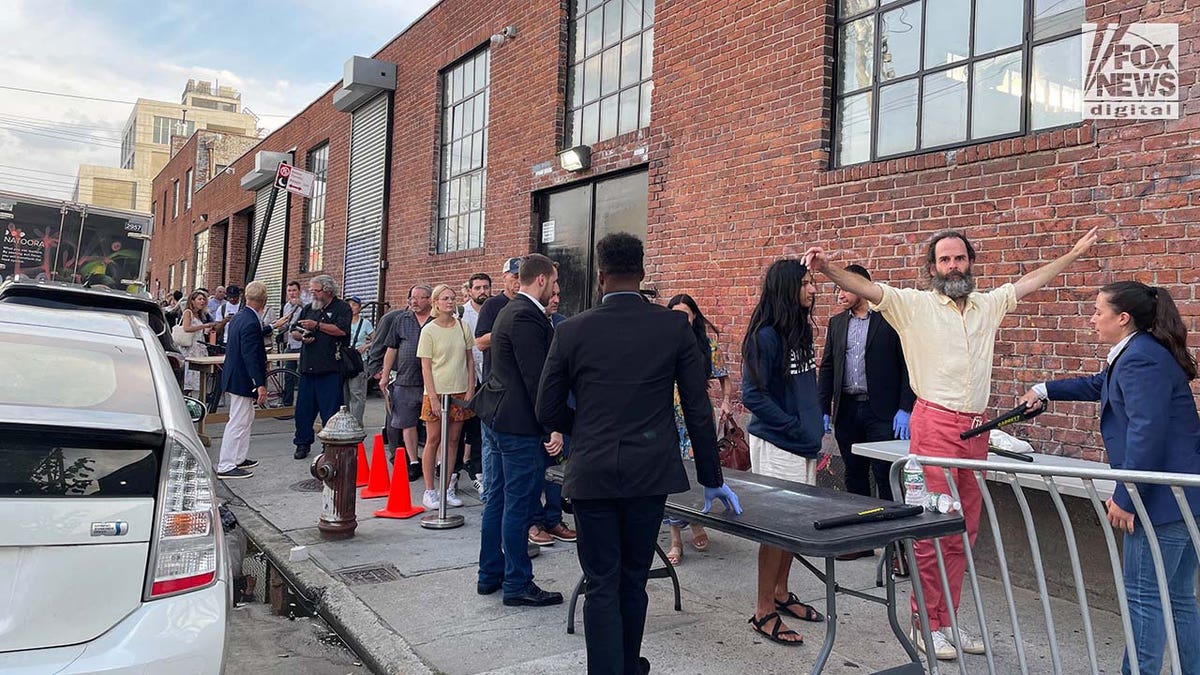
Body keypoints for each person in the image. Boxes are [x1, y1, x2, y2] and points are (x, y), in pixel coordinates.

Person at [805, 225, 1099, 660]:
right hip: (934, 426)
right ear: (932, 268)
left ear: (970, 263)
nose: (953, 266)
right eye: (945, 260)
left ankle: (948, 621)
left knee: (963, 530)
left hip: (976, 431)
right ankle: (925, 623)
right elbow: (867, 287)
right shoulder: (915, 305)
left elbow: (1031, 281)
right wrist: (828, 269)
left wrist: (1073, 253)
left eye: (959, 258)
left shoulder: (987, 305)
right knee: (933, 530)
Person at [538, 233, 741, 675]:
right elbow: (696, 406)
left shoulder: (571, 330)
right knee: (633, 576)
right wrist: (712, 475)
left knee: (600, 581)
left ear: (601, 276)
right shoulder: (674, 328)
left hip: (592, 472)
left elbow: (546, 408)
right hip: (650, 472)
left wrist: (586, 431)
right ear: (643, 273)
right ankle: (628, 665)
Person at [1018, 281, 1200, 675]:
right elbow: (1100, 385)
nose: (1093, 319)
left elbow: (1145, 431)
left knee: (1145, 598)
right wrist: (1045, 389)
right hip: (1182, 496)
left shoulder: (1141, 358)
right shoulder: (1139, 353)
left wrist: (1126, 496)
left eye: (1099, 311)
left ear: (1123, 318)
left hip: (1160, 501)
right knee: (1179, 597)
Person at [470, 253, 564, 607]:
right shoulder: (526, 315)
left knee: (498, 500)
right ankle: (517, 583)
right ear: (540, 280)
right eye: (553, 283)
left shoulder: (511, 310)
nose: (555, 290)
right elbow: (537, 379)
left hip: (499, 418)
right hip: (517, 425)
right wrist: (553, 426)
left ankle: (490, 575)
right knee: (517, 505)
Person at [740, 258, 825, 647]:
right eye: (806, 283)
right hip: (778, 444)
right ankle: (763, 611)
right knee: (775, 529)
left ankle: (780, 592)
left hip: (803, 443)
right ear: (787, 287)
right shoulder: (766, 336)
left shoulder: (799, 330)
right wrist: (792, 426)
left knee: (794, 526)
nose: (813, 289)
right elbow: (752, 395)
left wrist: (815, 424)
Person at [816, 264, 916, 562]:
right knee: (854, 476)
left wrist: (905, 408)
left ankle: (896, 548)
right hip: (847, 410)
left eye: (845, 288)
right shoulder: (836, 324)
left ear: (862, 286)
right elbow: (829, 367)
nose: (840, 294)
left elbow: (907, 365)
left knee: (886, 476)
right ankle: (860, 540)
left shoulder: (890, 320)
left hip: (882, 412)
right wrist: (824, 408)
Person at [661, 293, 734, 566]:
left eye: (685, 314)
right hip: (667, 417)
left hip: (695, 419)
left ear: (694, 317)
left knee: (692, 474)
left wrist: (726, 402)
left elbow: (725, 380)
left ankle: (694, 522)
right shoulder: (662, 343)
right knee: (671, 475)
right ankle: (676, 537)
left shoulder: (707, 346)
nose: (681, 319)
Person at [416, 284, 476, 509]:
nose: (449, 302)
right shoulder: (429, 330)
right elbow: (426, 367)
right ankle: (430, 489)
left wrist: (470, 387)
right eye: (445, 299)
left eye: (452, 298)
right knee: (433, 440)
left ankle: (448, 486)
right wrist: (432, 396)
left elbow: (470, 360)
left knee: (453, 440)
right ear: (435, 303)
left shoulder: (463, 326)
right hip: (437, 391)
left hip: (459, 390)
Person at [528, 280, 577, 547]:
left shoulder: (564, 324)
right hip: (538, 412)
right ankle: (534, 521)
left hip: (565, 406)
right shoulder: (530, 324)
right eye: (552, 294)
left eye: (559, 294)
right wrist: (551, 427)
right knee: (537, 468)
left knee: (559, 469)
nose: (556, 299)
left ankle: (554, 519)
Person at [474, 259, 521, 502]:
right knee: (491, 447)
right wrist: (507, 329)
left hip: (522, 389)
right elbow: (480, 342)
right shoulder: (493, 305)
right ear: (504, 277)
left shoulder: (532, 304)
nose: (518, 281)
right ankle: (491, 495)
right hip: (495, 386)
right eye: (514, 276)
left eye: (521, 276)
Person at [290, 274, 351, 460]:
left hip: (330, 368)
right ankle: (302, 443)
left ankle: (329, 444)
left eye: (316, 291)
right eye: (312, 290)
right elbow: (294, 331)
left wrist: (316, 325)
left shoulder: (342, 308)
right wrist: (302, 336)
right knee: (303, 411)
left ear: (327, 290)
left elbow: (341, 330)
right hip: (308, 368)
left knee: (330, 411)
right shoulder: (309, 308)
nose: (313, 294)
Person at [216, 281, 269, 479]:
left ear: (247, 297)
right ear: (264, 300)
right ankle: (227, 464)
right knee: (238, 421)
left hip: (236, 375)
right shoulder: (251, 321)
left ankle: (238, 457)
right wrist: (260, 383)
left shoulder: (240, 317)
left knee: (245, 418)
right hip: (242, 378)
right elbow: (251, 354)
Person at [380, 284, 433, 480]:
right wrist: (385, 375)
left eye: (420, 298)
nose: (414, 301)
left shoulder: (438, 320)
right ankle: (413, 461)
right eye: (412, 297)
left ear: (429, 299)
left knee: (432, 424)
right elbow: (391, 348)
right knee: (406, 423)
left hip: (432, 383)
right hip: (405, 380)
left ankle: (434, 461)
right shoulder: (401, 320)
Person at [461, 272, 491, 489]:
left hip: (489, 374)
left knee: (482, 425)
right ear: (470, 290)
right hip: (467, 375)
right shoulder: (462, 314)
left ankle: (478, 468)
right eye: (478, 287)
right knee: (466, 425)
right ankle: (457, 469)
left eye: (486, 287)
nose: (482, 291)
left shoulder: (495, 310)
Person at [368, 304, 403, 462]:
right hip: (394, 373)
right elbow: (378, 344)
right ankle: (396, 452)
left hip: (416, 374)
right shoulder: (391, 318)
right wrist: (376, 368)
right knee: (394, 413)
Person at [342, 296, 374, 426]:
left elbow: (376, 339)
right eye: (349, 304)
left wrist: (366, 346)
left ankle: (356, 424)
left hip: (359, 361)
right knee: (343, 394)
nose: (351, 307)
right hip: (343, 361)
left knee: (357, 393)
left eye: (354, 304)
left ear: (359, 307)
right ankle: (344, 422)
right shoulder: (342, 321)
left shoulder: (365, 323)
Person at [180, 291, 218, 396]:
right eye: (199, 299)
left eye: (203, 299)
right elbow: (186, 328)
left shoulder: (200, 314)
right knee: (189, 378)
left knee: (197, 377)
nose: (202, 301)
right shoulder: (188, 312)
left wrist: (207, 329)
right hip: (191, 347)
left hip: (199, 346)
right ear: (192, 301)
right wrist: (204, 326)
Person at [275, 281, 304, 407]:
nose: (292, 293)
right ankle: (287, 403)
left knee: (303, 375)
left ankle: (304, 403)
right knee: (288, 374)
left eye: (294, 290)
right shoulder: (287, 306)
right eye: (289, 291)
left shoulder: (305, 305)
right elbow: (286, 324)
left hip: (303, 345)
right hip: (291, 345)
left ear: (299, 291)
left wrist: (300, 304)